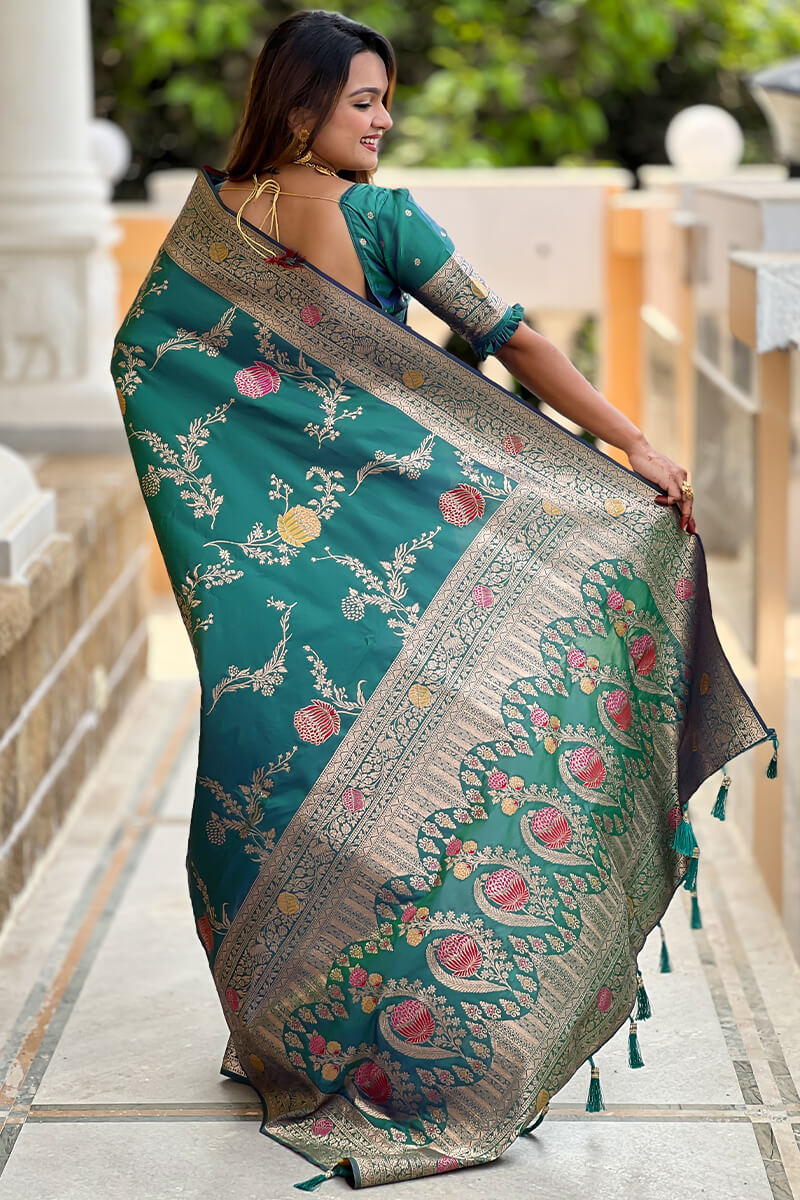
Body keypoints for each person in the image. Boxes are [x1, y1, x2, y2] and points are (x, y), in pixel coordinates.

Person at [112, 9, 775, 1191]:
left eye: (385, 100)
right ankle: (410, 1048)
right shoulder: (377, 218)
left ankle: (288, 1032)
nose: (380, 121)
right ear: (300, 106)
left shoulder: (210, 230)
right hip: (404, 554)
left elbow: (145, 363)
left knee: (276, 781)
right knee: (424, 785)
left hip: (278, 584)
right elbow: (509, 340)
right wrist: (627, 444)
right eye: (361, 100)